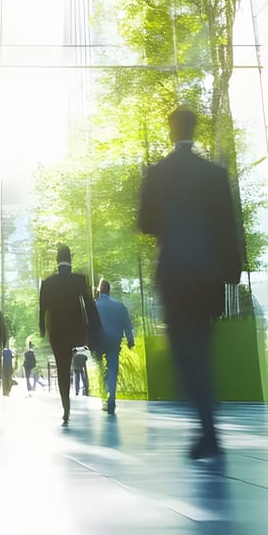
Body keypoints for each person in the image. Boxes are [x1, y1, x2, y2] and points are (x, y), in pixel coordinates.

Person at [138, 105, 242, 460]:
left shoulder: (156, 173)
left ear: (170, 131)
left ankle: (207, 427)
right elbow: (229, 226)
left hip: (176, 272)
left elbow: (145, 223)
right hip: (209, 272)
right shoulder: (214, 174)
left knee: (185, 350)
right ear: (194, 131)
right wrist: (232, 271)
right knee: (202, 345)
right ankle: (208, 425)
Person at [39, 244, 97, 424]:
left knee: (62, 367)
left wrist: (42, 329)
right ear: (70, 260)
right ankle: (72, 397)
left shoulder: (48, 283)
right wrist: (94, 329)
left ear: (57, 261)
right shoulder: (79, 280)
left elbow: (43, 309)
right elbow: (89, 305)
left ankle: (66, 406)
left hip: (57, 331)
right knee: (74, 364)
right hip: (75, 331)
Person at [95, 279, 135, 415]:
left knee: (100, 368)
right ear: (109, 290)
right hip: (114, 341)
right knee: (113, 368)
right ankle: (111, 398)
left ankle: (104, 396)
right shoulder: (119, 306)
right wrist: (130, 340)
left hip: (99, 342)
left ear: (99, 291)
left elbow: (88, 326)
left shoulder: (94, 306)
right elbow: (127, 325)